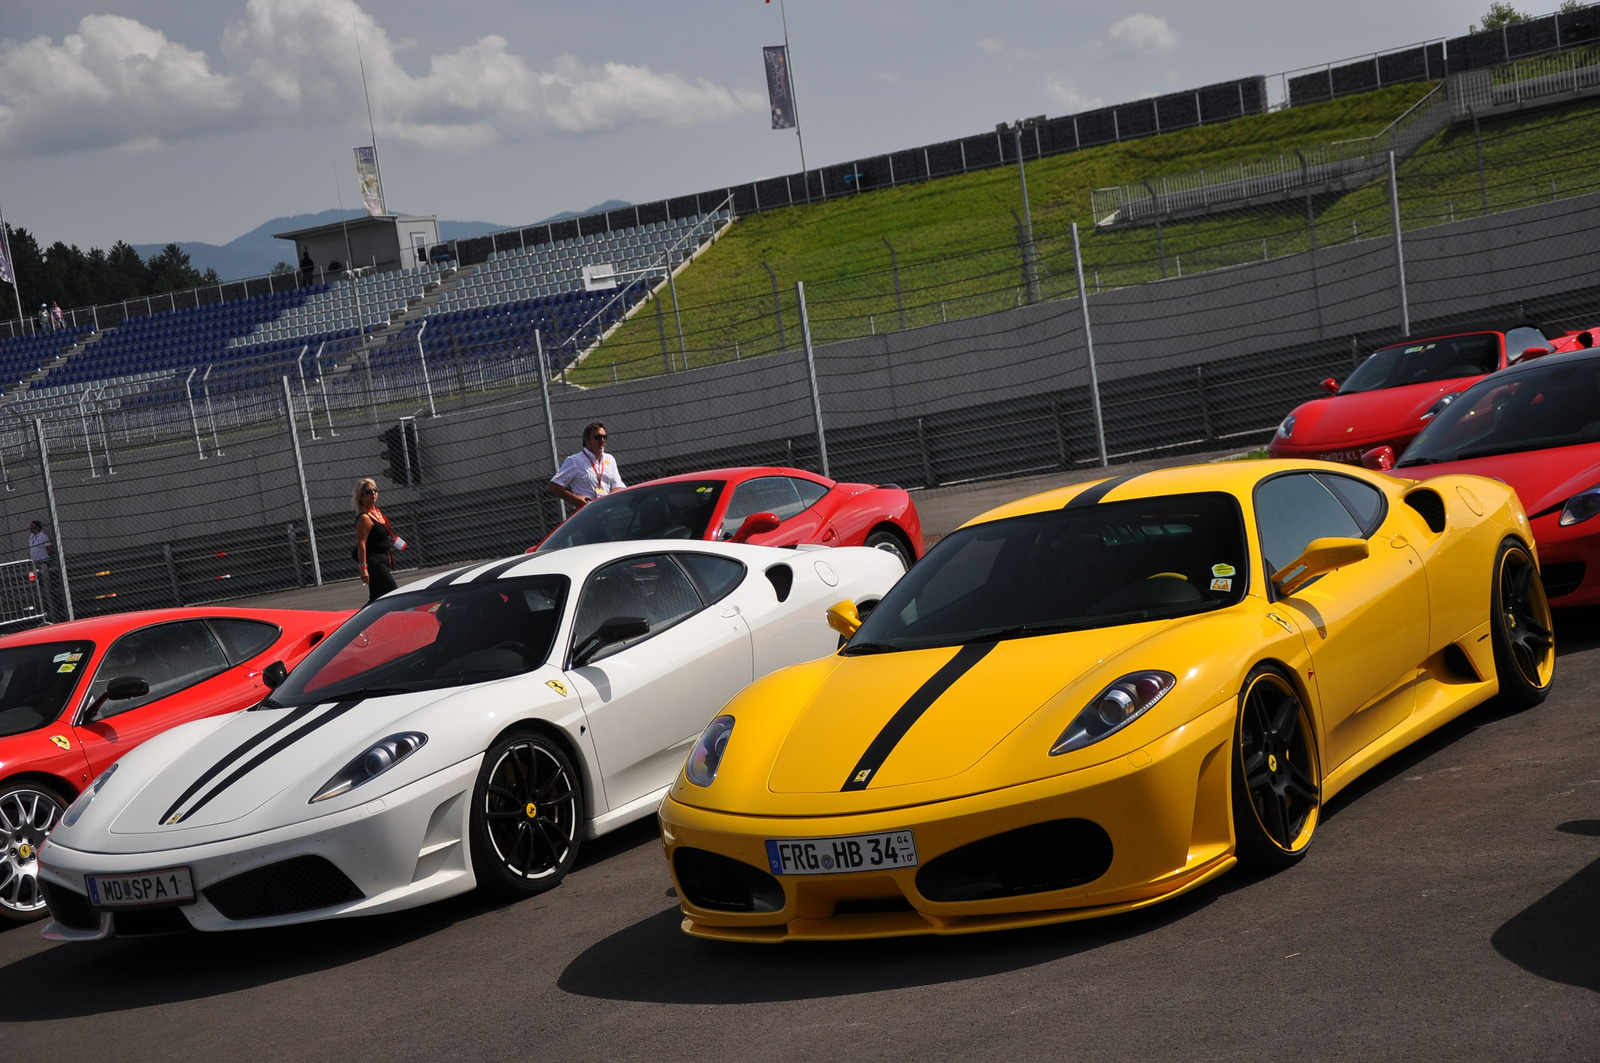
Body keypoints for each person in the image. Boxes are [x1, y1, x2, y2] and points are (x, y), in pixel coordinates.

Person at [548, 421, 624, 508]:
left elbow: (618, 485)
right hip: (587, 513)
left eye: (604, 437)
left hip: (608, 512)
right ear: (586, 439)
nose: (602, 440)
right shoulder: (575, 460)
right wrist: (575, 499)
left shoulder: (610, 459)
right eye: (598, 437)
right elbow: (554, 486)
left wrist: (607, 500)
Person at [353, 478, 399, 602]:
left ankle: (362, 620)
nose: (373, 493)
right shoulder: (364, 518)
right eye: (368, 492)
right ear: (361, 496)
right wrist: (364, 568)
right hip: (374, 561)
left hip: (383, 559)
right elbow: (361, 543)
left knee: (376, 598)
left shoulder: (377, 512)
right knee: (393, 591)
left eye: (375, 490)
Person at [26, 520, 55, 621]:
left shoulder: (43, 537)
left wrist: (48, 559)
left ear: (38, 527)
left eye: (33, 526)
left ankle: (50, 605)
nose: (31, 528)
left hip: (43, 563)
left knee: (45, 583)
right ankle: (42, 605)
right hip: (35, 563)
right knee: (37, 585)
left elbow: (50, 549)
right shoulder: (31, 537)